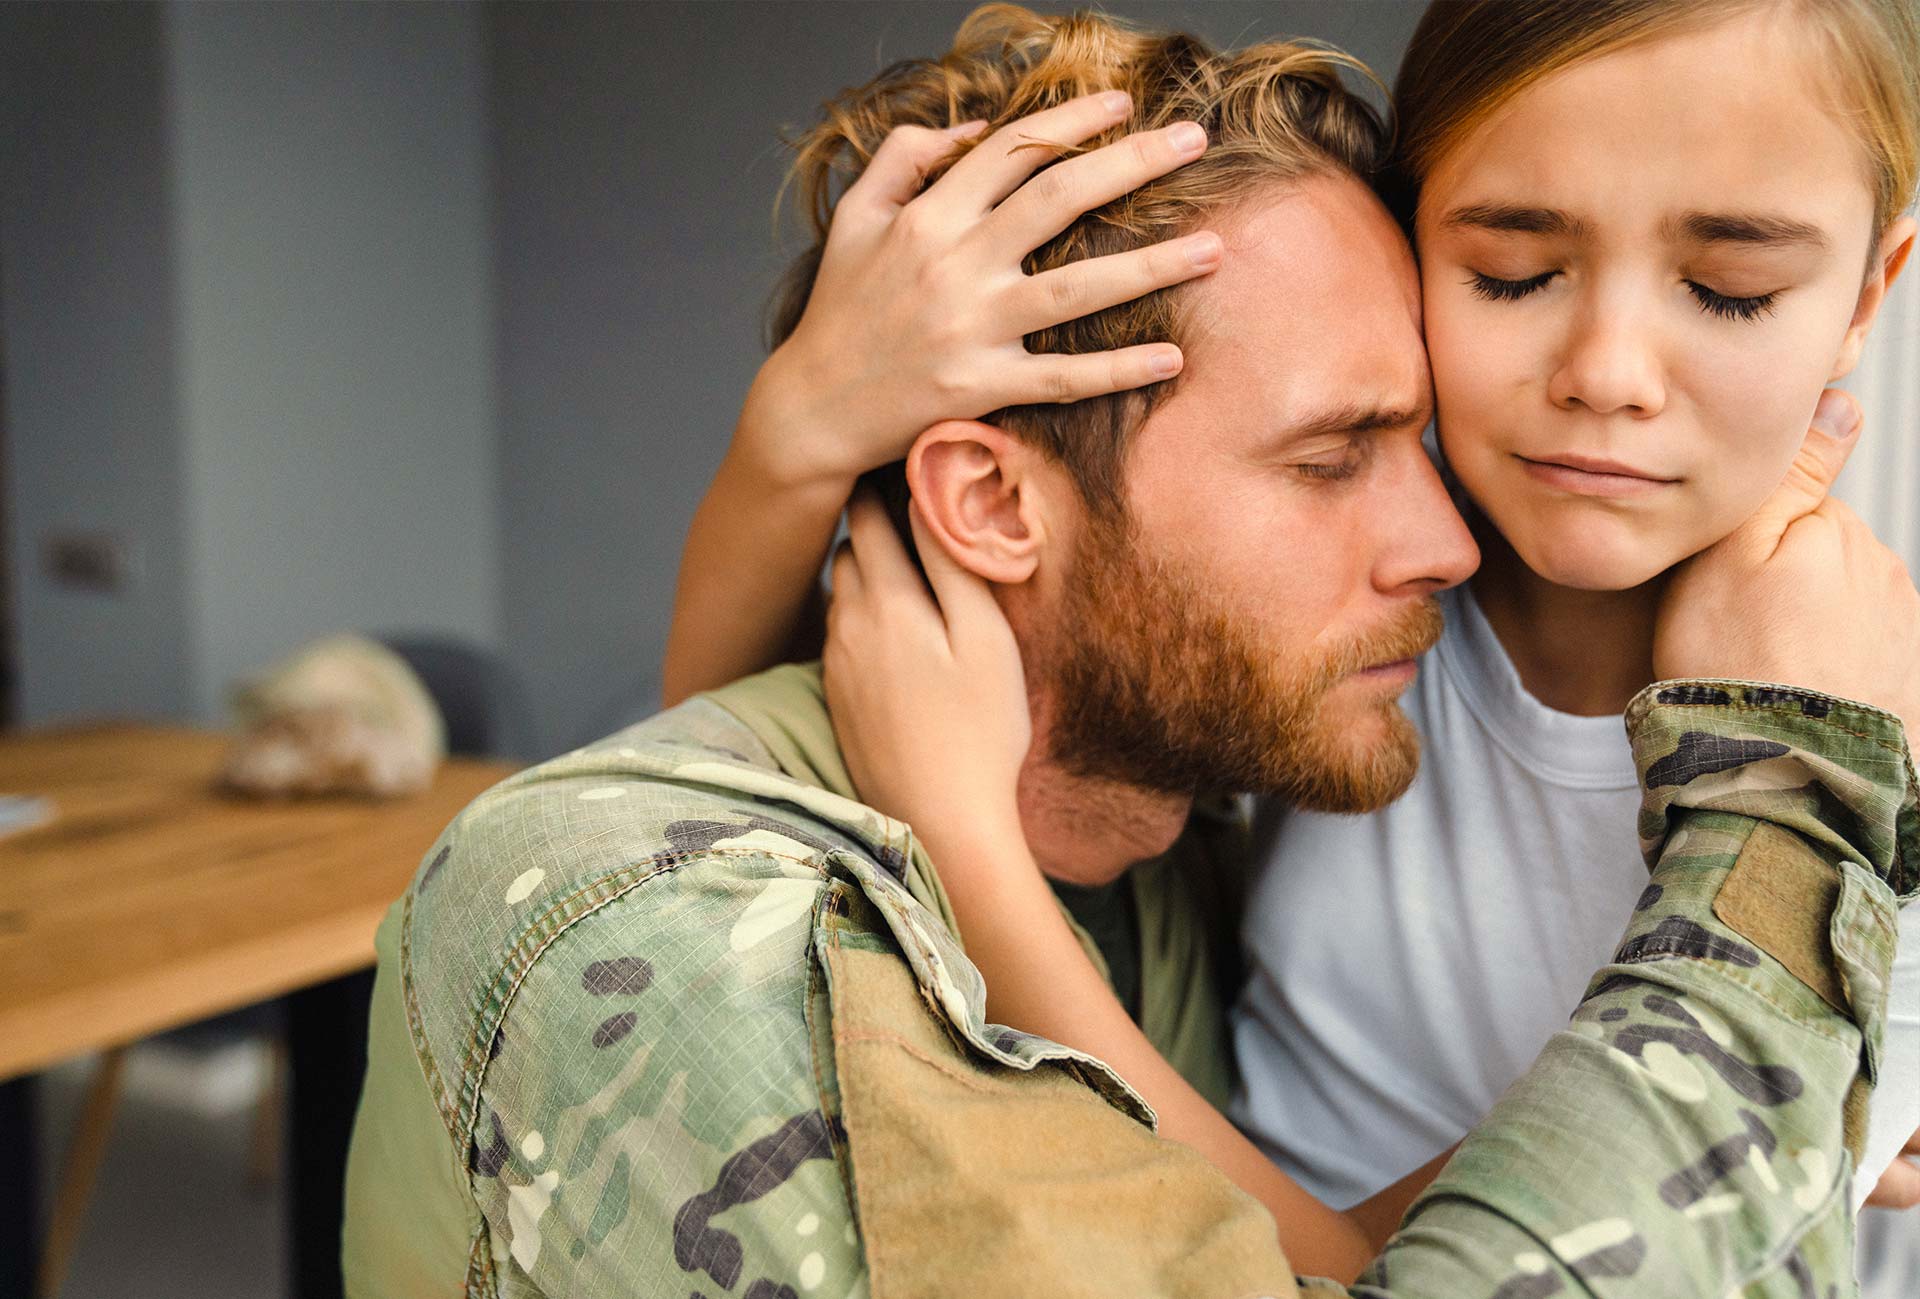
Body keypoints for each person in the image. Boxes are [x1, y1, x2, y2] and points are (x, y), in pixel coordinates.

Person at [342, 8, 1920, 1297]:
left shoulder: (1162, 815)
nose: (1445, 544)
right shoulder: (690, 941)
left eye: (1727, 287)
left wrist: (1821, 1108)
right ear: (988, 500)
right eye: (1332, 457)